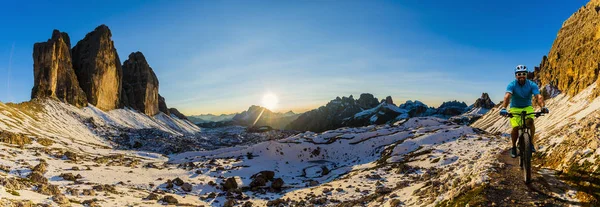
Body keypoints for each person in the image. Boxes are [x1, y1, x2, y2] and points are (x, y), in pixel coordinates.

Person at [499, 65, 549, 158]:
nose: (521, 76)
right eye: (519, 74)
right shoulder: (512, 84)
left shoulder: (531, 84)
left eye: (523, 74)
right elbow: (507, 97)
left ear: (526, 75)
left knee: (530, 122)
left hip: (527, 107)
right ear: (516, 75)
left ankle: (531, 143)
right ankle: (513, 147)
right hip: (515, 108)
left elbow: (538, 96)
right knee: (515, 128)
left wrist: (543, 107)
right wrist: (504, 108)